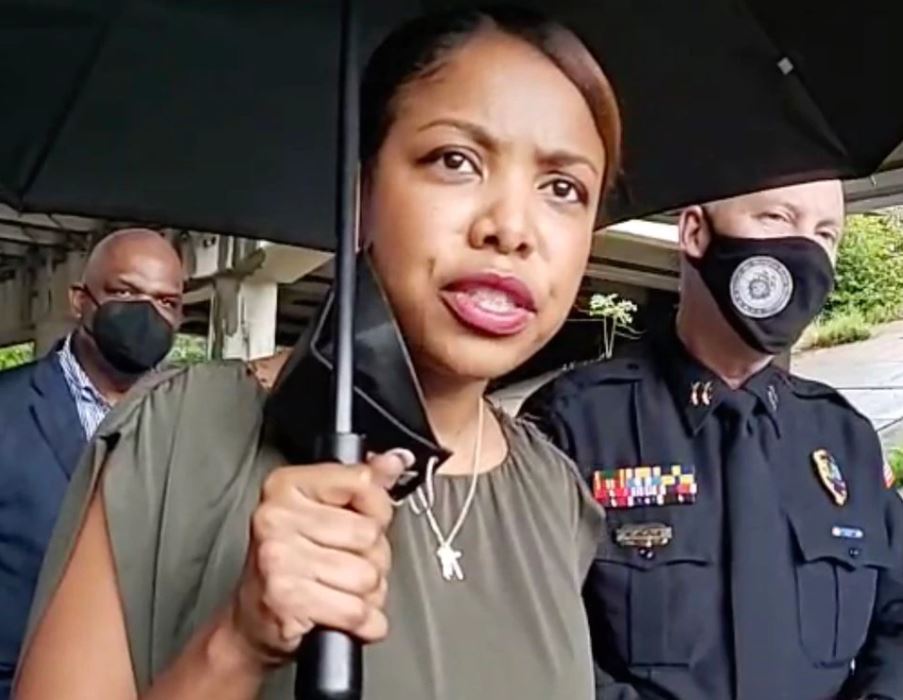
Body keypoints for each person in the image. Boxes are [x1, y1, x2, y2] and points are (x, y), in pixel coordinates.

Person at [15, 8, 623, 699]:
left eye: (563, 189)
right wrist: (236, 645)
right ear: (360, 192)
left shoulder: (555, 498)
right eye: (455, 161)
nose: (511, 228)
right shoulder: (177, 433)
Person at [521, 181, 903, 700]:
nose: (806, 251)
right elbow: (535, 634)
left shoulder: (846, 439)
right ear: (696, 233)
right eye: (777, 218)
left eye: (825, 234)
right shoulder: (574, 424)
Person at [0, 228, 183, 699]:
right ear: (79, 300)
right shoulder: (7, 408)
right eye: (126, 292)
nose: (148, 312)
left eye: (166, 301)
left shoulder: (190, 419)